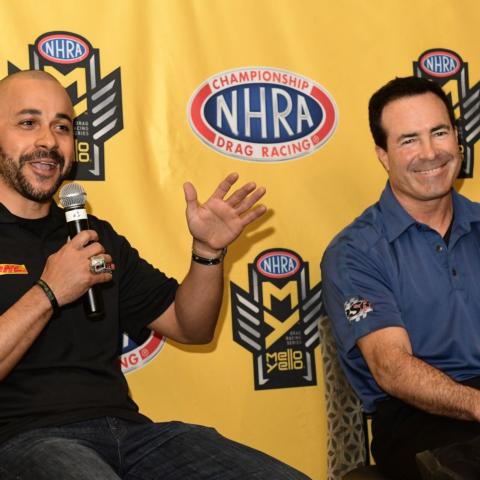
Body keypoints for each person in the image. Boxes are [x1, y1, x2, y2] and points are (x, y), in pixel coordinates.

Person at [0, 70, 309, 480]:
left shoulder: (94, 234)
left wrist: (208, 253)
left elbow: (190, 325)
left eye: (62, 126)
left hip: (129, 435)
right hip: (24, 439)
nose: (49, 141)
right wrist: (50, 290)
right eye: (28, 123)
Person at [321, 76, 480, 480]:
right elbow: (392, 369)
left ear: (458, 139)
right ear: (383, 155)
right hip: (417, 418)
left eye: (439, 132)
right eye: (409, 140)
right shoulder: (355, 252)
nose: (430, 153)